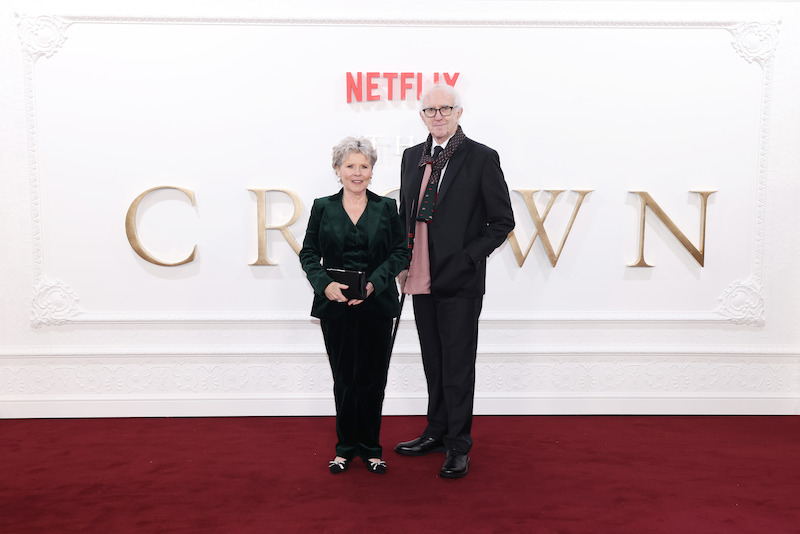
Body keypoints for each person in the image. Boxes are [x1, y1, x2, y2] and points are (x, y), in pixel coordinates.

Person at [395, 84, 515, 479]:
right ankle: (436, 430)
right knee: (434, 360)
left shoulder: (481, 157)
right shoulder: (412, 157)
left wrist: (468, 257)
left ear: (459, 112)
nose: (438, 115)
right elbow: (404, 215)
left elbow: (501, 221)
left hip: (460, 280)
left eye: (446, 108)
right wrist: (401, 260)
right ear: (422, 117)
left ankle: (459, 445)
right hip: (420, 276)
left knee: (458, 364)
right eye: (430, 110)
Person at [299, 136, 408, 475]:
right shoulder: (322, 207)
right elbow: (308, 254)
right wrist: (325, 285)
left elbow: (400, 253)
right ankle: (345, 448)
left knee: (373, 380)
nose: (357, 173)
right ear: (338, 170)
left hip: (377, 307)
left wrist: (375, 283)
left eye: (364, 166)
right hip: (336, 308)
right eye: (350, 166)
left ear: (372, 171)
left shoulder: (386, 208)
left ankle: (372, 448)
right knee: (344, 379)